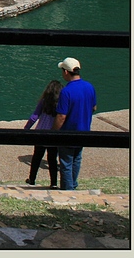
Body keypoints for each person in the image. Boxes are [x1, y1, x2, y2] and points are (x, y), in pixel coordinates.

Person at [53, 57, 96, 190]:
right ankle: (74, 185)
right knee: (77, 159)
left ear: (66, 72)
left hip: (68, 132)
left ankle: (67, 189)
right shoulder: (89, 87)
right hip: (84, 131)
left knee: (65, 162)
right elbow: (94, 107)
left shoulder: (66, 92)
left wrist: (53, 132)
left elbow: (61, 116)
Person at [24, 80, 62, 188]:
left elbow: (34, 116)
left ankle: (32, 179)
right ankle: (53, 183)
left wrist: (26, 128)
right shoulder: (61, 103)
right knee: (52, 159)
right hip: (54, 133)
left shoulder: (44, 101)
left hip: (41, 132)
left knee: (37, 157)